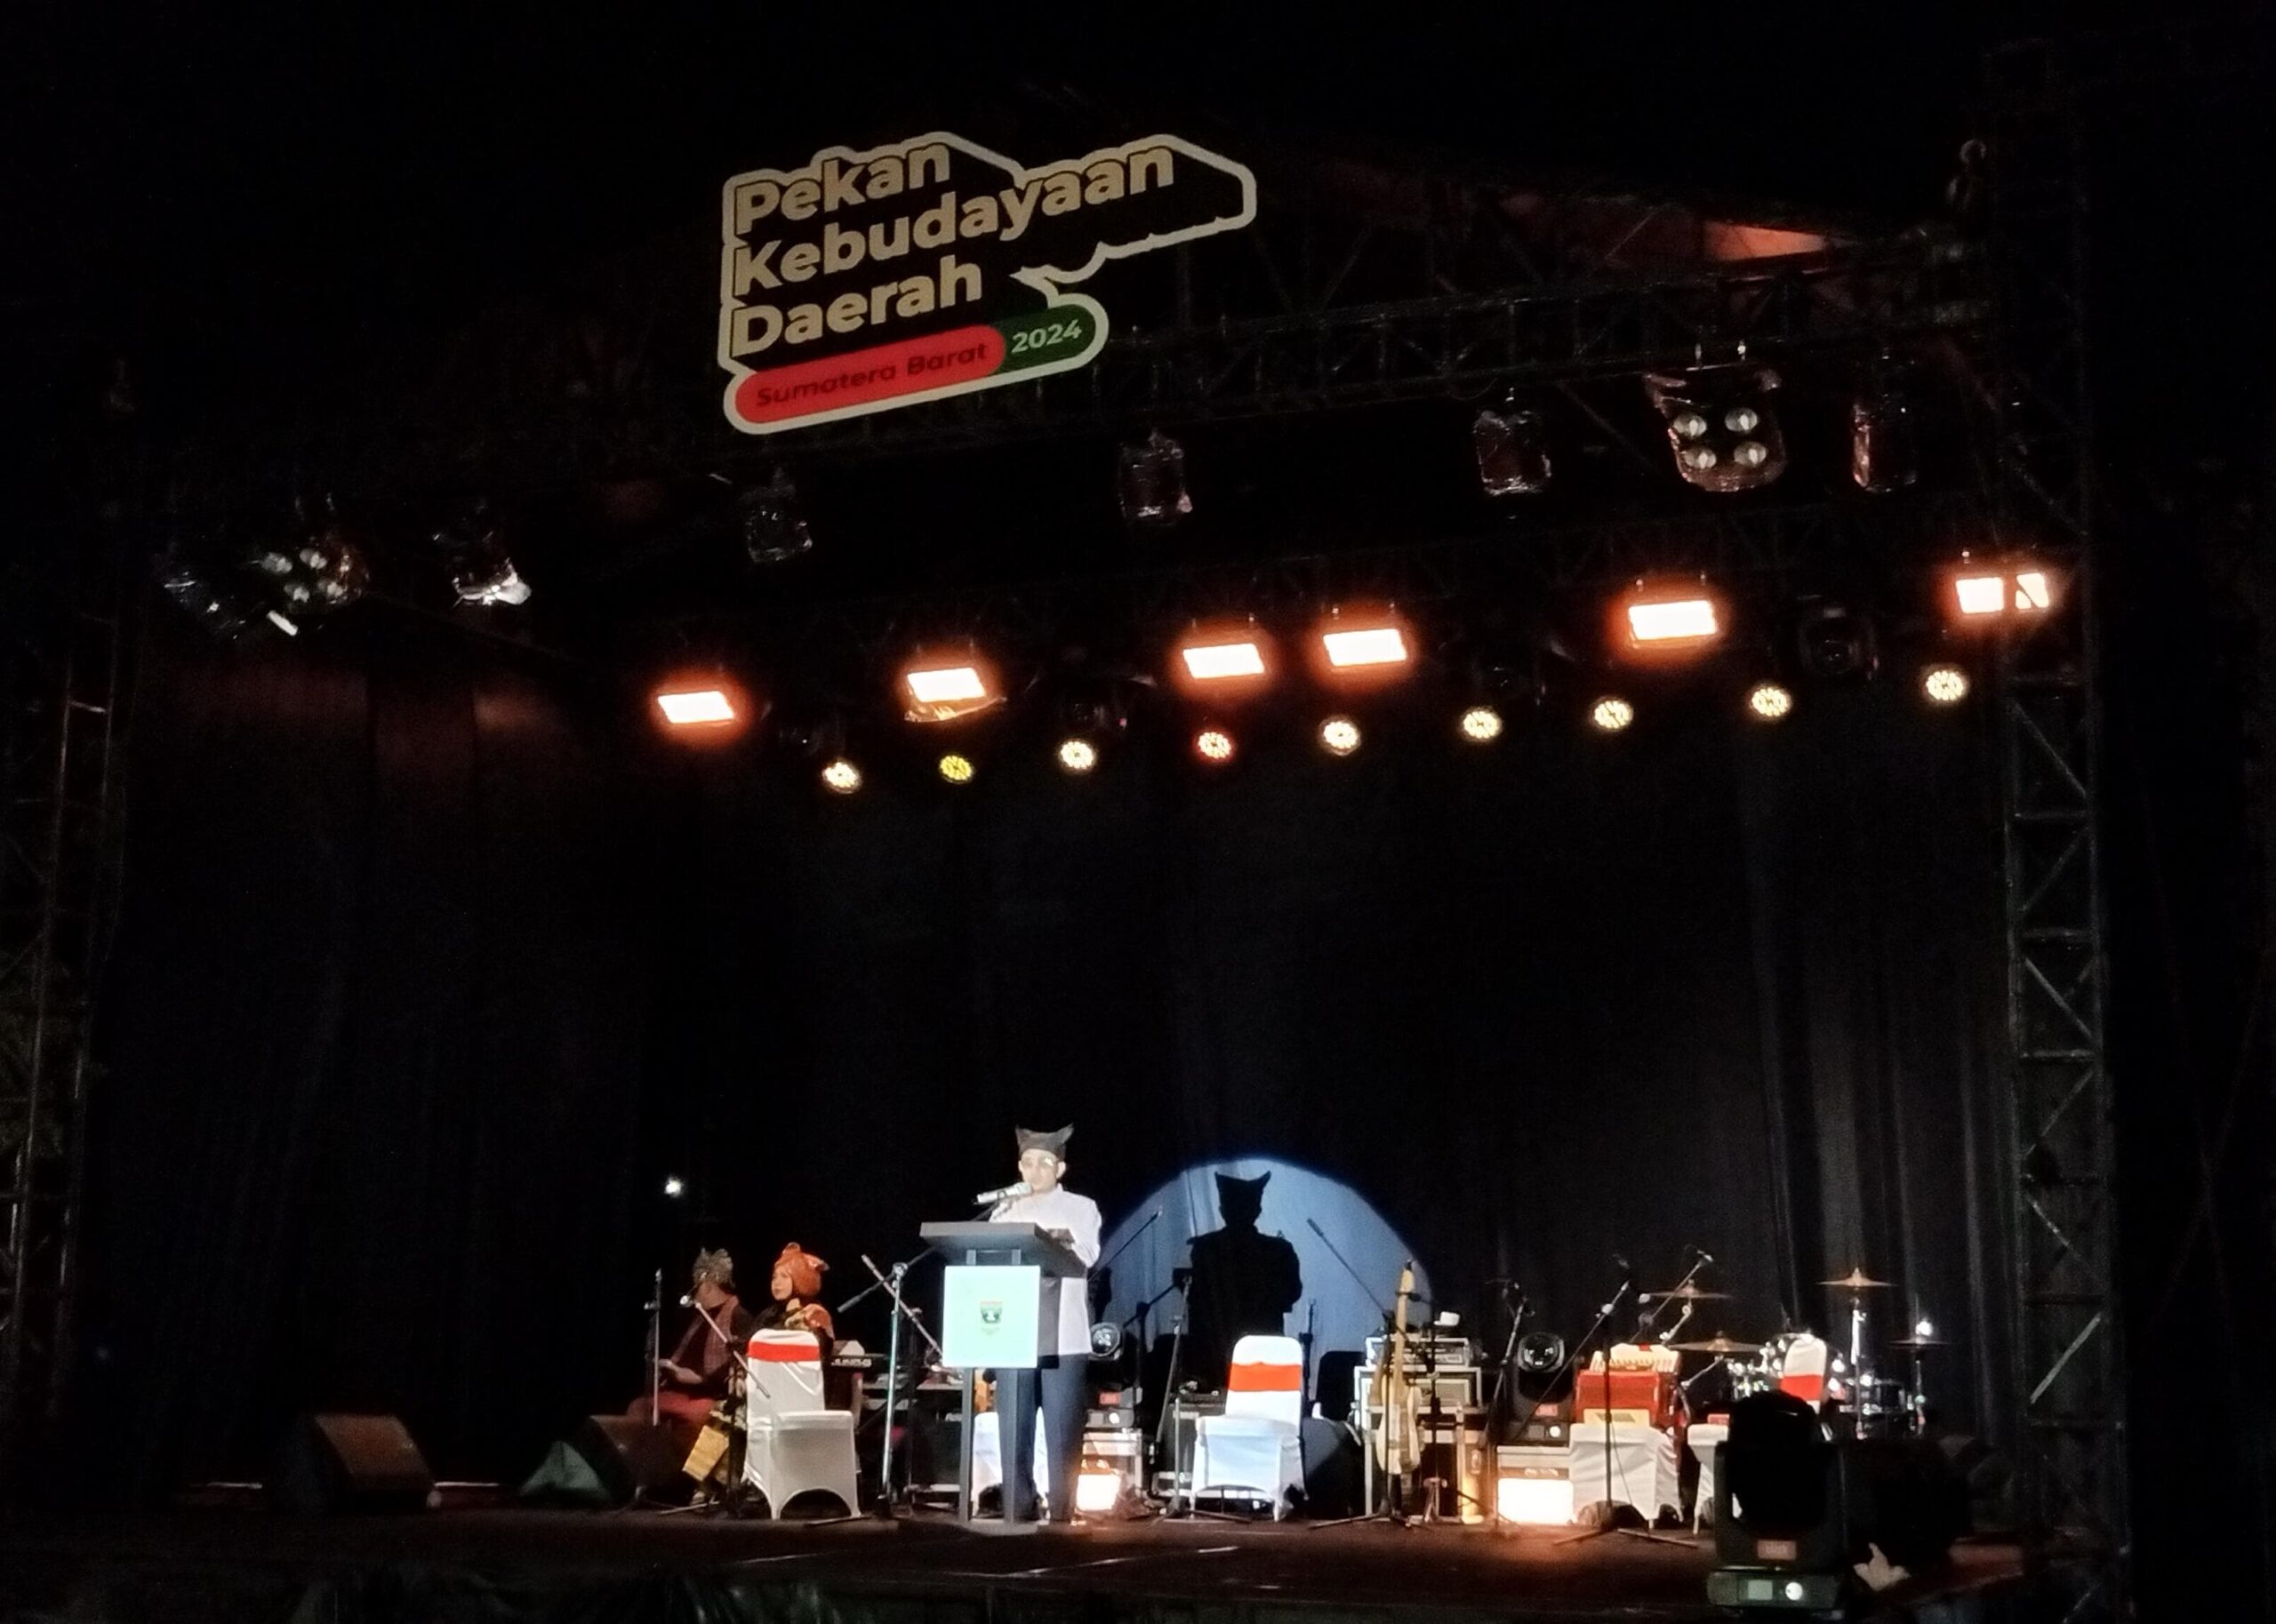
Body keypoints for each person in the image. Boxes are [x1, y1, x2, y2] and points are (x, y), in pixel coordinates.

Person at [989, 1124, 1102, 1523]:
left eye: (1043, 1163)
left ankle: (1062, 1512)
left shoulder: (1081, 1208)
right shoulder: (1004, 1210)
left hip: (1064, 1334)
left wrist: (1044, 1240)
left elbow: (1085, 1256)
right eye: (1028, 1164)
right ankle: (1017, 1507)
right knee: (1013, 1430)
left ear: (1060, 1169)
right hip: (1013, 1333)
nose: (1034, 1171)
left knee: (1062, 1431)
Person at [1184, 1169, 1303, 1384]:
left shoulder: (1206, 1248)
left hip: (1253, 1357)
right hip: (1221, 1360)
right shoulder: (1278, 1251)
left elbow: (1291, 1292)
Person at [650, 1248, 757, 1430]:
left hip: (711, 1396)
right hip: (682, 1392)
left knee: (697, 1415)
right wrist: (671, 1369)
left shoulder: (739, 1316)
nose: (696, 1296)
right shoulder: (699, 1318)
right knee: (640, 1407)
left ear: (707, 1286)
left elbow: (743, 1364)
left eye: (696, 1288)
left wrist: (700, 1379)